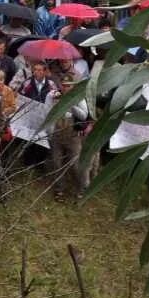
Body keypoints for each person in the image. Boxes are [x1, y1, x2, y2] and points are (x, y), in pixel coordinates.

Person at [48, 73, 91, 202]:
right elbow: (48, 113)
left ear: (73, 86)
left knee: (76, 164)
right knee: (56, 163)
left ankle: (82, 190)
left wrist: (70, 104)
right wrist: (49, 133)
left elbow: (84, 115)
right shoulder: (55, 97)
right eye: (64, 85)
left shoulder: (78, 98)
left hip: (73, 137)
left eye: (68, 86)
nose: (66, 88)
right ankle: (59, 190)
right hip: (57, 135)